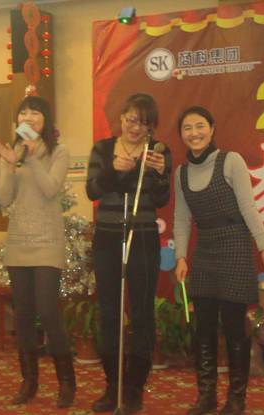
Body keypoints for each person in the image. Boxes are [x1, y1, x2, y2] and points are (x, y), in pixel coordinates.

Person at [173, 106, 264, 415]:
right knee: (203, 329)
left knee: (234, 329)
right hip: (204, 250)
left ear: (212, 128)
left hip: (235, 244)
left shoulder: (231, 161)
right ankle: (206, 397)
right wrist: (181, 257)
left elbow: (248, 207)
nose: (194, 133)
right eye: (187, 128)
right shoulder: (181, 173)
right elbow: (181, 219)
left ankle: (236, 399)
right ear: (181, 134)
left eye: (200, 126)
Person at [86, 93, 172, 414]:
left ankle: (135, 387)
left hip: (143, 237)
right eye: (131, 120)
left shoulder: (159, 150)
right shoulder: (102, 149)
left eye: (144, 123)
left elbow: (161, 199)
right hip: (108, 237)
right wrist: (111, 170)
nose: (136, 127)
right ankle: (113, 385)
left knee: (142, 313)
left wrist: (160, 174)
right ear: (121, 118)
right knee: (109, 312)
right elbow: (92, 190)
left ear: (151, 126)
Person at [0, 95, 76, 408]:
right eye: (23, 112)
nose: (28, 117)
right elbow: (3, 199)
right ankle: (29, 382)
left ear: (45, 119)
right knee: (24, 315)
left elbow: (51, 188)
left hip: (47, 240)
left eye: (35, 113)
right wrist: (9, 165)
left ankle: (67, 383)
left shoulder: (59, 151)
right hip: (18, 241)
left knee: (48, 311)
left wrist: (30, 158)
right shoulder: (12, 153)